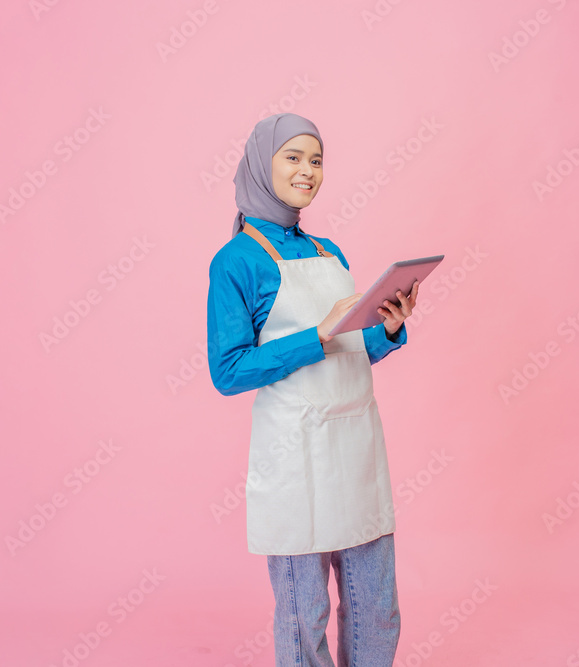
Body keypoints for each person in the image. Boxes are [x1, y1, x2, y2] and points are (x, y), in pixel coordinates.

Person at [207, 112, 419, 666]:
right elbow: (228, 370)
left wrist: (386, 329)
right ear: (263, 165)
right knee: (305, 614)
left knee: (377, 606)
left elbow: (351, 345)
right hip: (296, 455)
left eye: (317, 160)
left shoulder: (330, 251)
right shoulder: (236, 262)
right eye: (293, 158)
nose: (308, 171)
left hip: (356, 446)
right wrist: (315, 335)